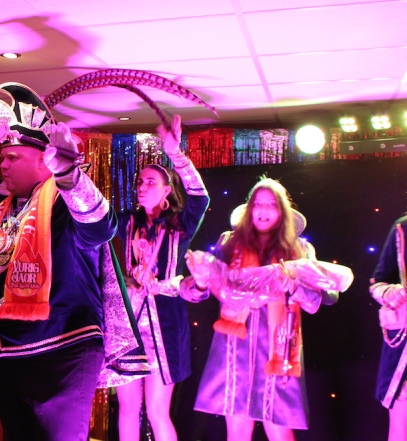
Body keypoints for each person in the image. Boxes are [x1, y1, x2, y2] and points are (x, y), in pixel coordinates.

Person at [0, 83, 121, 441]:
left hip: (61, 353)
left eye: (12, 158)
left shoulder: (66, 201)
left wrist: (69, 175)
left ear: (43, 160)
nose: (2, 164)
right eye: (2, 157)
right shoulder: (2, 212)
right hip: (8, 355)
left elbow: (101, 226)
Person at [184, 177, 352, 441]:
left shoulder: (299, 249)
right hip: (234, 349)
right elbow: (202, 291)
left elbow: (329, 296)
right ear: (250, 209)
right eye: (258, 204)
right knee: (237, 431)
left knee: (279, 431)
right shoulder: (229, 243)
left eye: (271, 204)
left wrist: (294, 286)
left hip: (279, 349)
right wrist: (201, 279)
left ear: (282, 211)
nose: (263, 210)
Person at [107, 115, 209, 441]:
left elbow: (201, 198)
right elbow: (92, 215)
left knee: (156, 411)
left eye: (151, 182)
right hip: (128, 323)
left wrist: (176, 155)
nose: (142, 186)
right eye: (139, 181)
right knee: (127, 409)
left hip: (165, 323)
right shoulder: (126, 222)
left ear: (167, 190)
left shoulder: (179, 224)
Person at [370, 215, 407, 441]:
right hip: (404, 349)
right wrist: (389, 292)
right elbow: (378, 282)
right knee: (401, 427)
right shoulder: (403, 228)